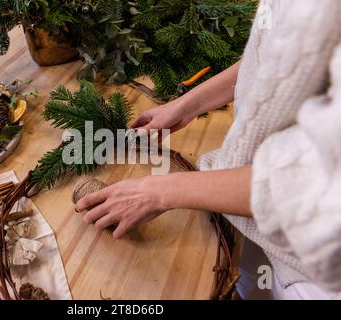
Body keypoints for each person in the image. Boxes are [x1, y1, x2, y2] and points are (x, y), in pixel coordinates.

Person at [75, 0, 341, 299]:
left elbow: (315, 183)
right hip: (247, 207)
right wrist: (187, 105)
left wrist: (157, 192)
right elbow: (277, 53)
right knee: (244, 284)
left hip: (316, 272)